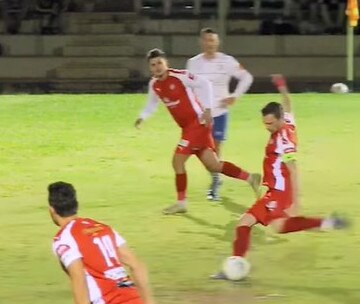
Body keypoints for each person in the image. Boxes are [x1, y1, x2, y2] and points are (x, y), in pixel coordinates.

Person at [212, 75, 348, 280]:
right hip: (276, 190)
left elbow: (293, 169)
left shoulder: (284, 140)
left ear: (279, 119)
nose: (268, 127)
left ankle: (235, 265)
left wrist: (295, 203)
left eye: (271, 123)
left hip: (279, 192)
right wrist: (283, 87)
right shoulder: (288, 122)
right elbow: (288, 104)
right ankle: (327, 223)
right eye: (265, 123)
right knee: (273, 226)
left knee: (246, 224)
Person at [135, 48, 261, 214]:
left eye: (160, 63)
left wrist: (208, 109)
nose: (157, 67)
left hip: (197, 124)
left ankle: (181, 203)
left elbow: (205, 84)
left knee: (177, 161)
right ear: (150, 68)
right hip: (188, 128)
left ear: (166, 63)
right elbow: (151, 104)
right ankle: (250, 178)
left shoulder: (180, 76)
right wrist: (142, 117)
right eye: (153, 64)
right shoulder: (154, 84)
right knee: (214, 165)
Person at [49, 181, 155, 304]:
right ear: (76, 206)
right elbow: (136, 265)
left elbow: (79, 278)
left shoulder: (63, 238)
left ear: (52, 210)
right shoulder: (104, 228)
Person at [187, 28, 253, 201]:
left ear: (217, 42)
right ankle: (216, 178)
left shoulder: (227, 61)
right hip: (201, 116)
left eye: (212, 40)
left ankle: (215, 181)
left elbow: (247, 78)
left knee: (215, 151)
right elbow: (188, 87)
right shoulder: (193, 63)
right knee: (202, 151)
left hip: (220, 113)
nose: (209, 43)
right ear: (201, 42)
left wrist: (235, 96)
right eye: (206, 40)